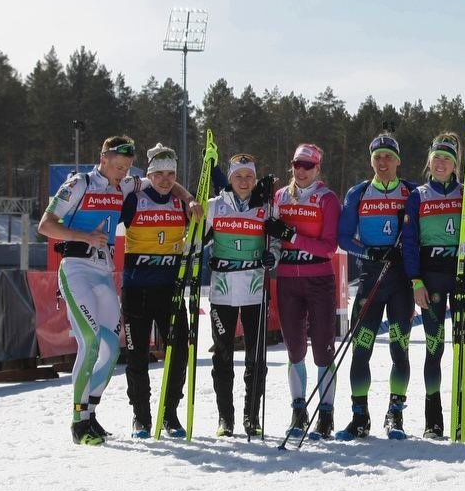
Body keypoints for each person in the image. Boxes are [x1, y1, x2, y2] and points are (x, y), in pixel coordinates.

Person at [39, 135, 195, 445]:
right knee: (90, 342)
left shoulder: (124, 186)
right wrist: (83, 236)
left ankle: (91, 414)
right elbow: (45, 224)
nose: (123, 174)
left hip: (103, 272)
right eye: (119, 167)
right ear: (104, 157)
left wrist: (189, 199)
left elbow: (163, 182)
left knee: (111, 348)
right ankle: (78, 422)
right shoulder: (80, 183)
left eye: (127, 168)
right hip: (76, 267)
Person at [401, 132, 465, 439]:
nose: (441, 164)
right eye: (436, 158)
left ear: (456, 165)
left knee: (463, 347)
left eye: (447, 159)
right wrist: (415, 281)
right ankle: (433, 419)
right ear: (429, 161)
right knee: (434, 347)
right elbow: (409, 243)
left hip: (462, 273)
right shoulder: (418, 196)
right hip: (431, 276)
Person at [336, 132, 416, 439]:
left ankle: (395, 414)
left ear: (398, 160)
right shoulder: (358, 193)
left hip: (401, 281)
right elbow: (343, 237)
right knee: (361, 349)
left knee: (400, 348)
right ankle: (360, 416)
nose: (383, 163)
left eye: (388, 157)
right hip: (371, 278)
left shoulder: (410, 192)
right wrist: (369, 251)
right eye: (377, 157)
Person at [269, 144, 342, 441]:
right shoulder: (280, 196)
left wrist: (294, 237)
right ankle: (298, 412)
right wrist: (272, 253)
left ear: (318, 168)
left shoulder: (327, 199)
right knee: (295, 348)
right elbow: (272, 235)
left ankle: (326, 414)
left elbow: (329, 246)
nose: (301, 171)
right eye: (297, 164)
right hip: (287, 279)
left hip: (319, 278)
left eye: (307, 166)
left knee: (323, 348)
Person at [117, 143, 189, 439]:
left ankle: (169, 414)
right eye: (159, 174)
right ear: (149, 175)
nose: (165, 179)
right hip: (137, 291)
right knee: (136, 356)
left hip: (170, 290)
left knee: (179, 354)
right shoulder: (134, 200)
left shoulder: (180, 203)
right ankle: (141, 417)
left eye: (171, 174)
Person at [204, 153, 277, 438]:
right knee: (222, 356)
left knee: (255, 357)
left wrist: (274, 257)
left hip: (255, 290)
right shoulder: (215, 206)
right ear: (230, 179)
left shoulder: (266, 207)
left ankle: (251, 416)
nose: (244, 181)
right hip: (222, 291)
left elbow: (277, 243)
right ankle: (226, 418)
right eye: (238, 176)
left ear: (255, 179)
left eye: (249, 176)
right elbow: (194, 240)